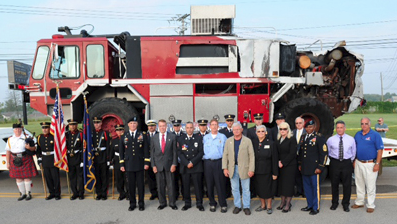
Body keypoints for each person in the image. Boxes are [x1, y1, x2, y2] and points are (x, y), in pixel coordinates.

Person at [352, 117, 384, 213]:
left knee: (370, 185)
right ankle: (359, 202)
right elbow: (354, 148)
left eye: (366, 123)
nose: (364, 125)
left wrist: (377, 163)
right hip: (358, 162)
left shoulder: (375, 135)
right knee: (359, 183)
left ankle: (370, 205)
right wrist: (354, 160)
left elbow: (380, 150)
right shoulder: (358, 134)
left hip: (370, 163)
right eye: (362, 123)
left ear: (369, 124)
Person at [222, 123, 255, 215]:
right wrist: (225, 168)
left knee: (246, 189)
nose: (236, 131)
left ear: (241, 130)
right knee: (235, 189)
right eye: (234, 129)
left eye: (238, 129)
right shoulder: (229, 141)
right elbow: (225, 155)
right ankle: (237, 206)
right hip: (232, 169)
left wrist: (251, 169)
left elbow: (251, 156)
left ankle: (246, 206)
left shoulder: (247, 141)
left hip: (245, 168)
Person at [120, 116, 150, 211]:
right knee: (131, 186)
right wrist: (121, 164)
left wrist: (146, 162)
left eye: (134, 123)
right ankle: (132, 203)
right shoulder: (124, 136)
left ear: (137, 125)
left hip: (140, 163)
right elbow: (121, 152)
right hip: (129, 164)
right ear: (128, 125)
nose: (133, 125)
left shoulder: (142, 135)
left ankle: (141, 203)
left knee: (140, 185)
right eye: (131, 123)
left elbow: (146, 150)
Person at [298, 120, 328, 215]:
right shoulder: (303, 137)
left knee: (315, 188)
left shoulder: (319, 137)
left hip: (315, 168)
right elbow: (301, 153)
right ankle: (309, 205)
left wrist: (320, 166)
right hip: (305, 168)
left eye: (310, 127)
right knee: (307, 188)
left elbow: (324, 153)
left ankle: (316, 207)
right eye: (307, 127)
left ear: (314, 127)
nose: (309, 129)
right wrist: (300, 164)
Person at [327, 120, 356, 212]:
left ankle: (346, 204)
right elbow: (327, 151)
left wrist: (349, 161)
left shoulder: (351, 139)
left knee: (347, 185)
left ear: (345, 128)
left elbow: (353, 152)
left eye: (341, 127)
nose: (339, 129)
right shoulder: (330, 140)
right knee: (334, 184)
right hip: (334, 163)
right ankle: (334, 203)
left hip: (346, 163)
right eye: (338, 127)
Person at [5, 123, 38, 201]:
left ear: (21, 130)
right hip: (14, 159)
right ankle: (22, 193)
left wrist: (29, 147)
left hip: (25, 158)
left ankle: (28, 193)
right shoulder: (10, 139)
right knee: (18, 178)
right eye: (16, 129)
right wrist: (8, 162)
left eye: (19, 129)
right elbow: (8, 151)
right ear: (13, 130)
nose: (17, 131)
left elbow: (34, 149)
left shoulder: (27, 138)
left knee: (27, 177)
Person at [151, 119, 178, 210]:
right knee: (160, 186)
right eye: (160, 126)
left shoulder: (172, 136)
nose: (162, 127)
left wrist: (174, 164)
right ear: (158, 127)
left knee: (171, 186)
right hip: (158, 166)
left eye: (164, 126)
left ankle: (172, 203)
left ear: (166, 127)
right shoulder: (154, 137)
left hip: (169, 165)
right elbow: (152, 153)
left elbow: (175, 152)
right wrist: (153, 165)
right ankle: (162, 203)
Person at [177, 121, 204, 211]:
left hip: (196, 166)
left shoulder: (198, 138)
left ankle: (199, 203)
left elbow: (201, 152)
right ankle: (187, 203)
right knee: (186, 186)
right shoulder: (181, 139)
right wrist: (186, 163)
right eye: (187, 128)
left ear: (194, 128)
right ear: (185, 129)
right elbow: (180, 152)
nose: (189, 129)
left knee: (198, 186)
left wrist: (192, 162)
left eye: (191, 128)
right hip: (185, 166)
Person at [203, 119, 228, 213]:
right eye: (212, 125)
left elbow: (226, 152)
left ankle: (223, 204)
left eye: (215, 125)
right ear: (210, 126)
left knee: (220, 184)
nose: (214, 126)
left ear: (218, 126)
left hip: (219, 162)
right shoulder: (205, 137)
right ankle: (212, 203)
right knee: (209, 185)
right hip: (208, 163)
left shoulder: (223, 137)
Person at [252, 125, 278, 214]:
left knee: (268, 189)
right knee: (259, 188)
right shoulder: (254, 143)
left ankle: (269, 206)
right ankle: (263, 205)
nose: (261, 133)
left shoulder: (271, 143)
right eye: (259, 131)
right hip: (257, 170)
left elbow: (274, 159)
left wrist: (275, 173)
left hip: (267, 170)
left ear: (266, 133)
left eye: (263, 131)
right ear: (256, 133)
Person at [275, 122, 297, 213]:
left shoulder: (292, 139)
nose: (282, 131)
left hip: (289, 166)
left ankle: (288, 204)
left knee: (288, 185)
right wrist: (278, 162)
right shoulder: (278, 139)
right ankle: (282, 202)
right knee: (282, 185)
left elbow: (292, 153)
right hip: (280, 165)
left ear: (288, 130)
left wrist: (283, 162)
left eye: (284, 129)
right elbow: (277, 152)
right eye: (281, 129)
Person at [36, 122, 61, 200]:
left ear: (49, 128)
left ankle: (57, 193)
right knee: (48, 178)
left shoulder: (53, 137)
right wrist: (39, 158)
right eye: (43, 128)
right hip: (45, 159)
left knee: (55, 177)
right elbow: (38, 149)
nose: (44, 130)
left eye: (46, 128)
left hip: (53, 158)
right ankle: (51, 193)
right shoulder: (39, 137)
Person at [92, 117, 111, 200]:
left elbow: (108, 146)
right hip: (95, 158)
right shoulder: (91, 133)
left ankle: (104, 193)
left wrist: (108, 159)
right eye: (95, 123)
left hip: (103, 157)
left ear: (101, 123)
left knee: (104, 176)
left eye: (98, 122)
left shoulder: (105, 133)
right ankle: (98, 193)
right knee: (97, 176)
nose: (96, 124)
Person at [66, 119, 84, 200]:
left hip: (78, 157)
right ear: (69, 126)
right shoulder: (66, 135)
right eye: (71, 125)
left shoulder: (80, 134)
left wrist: (82, 160)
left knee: (80, 176)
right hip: (70, 158)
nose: (72, 126)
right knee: (72, 177)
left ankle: (81, 193)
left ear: (77, 125)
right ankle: (74, 193)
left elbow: (84, 148)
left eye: (74, 125)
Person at [110, 124, 128, 201]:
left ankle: (128, 193)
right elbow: (111, 152)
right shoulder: (114, 141)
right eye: (117, 130)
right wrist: (110, 161)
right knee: (119, 178)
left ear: (123, 130)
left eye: (121, 130)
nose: (119, 132)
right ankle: (121, 193)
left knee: (127, 178)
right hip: (117, 161)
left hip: (126, 160)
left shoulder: (127, 139)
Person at [219, 114, 235, 198]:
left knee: (234, 175)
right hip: (225, 155)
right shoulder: (222, 132)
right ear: (226, 122)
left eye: (231, 121)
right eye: (228, 121)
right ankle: (227, 192)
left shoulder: (236, 130)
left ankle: (234, 192)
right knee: (225, 176)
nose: (230, 122)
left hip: (234, 156)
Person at [144, 120, 158, 200]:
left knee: (159, 178)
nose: (151, 127)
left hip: (157, 159)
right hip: (148, 159)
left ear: (155, 127)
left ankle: (160, 193)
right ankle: (153, 193)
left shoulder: (159, 135)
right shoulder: (144, 136)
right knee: (150, 178)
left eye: (152, 126)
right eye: (149, 126)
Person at [172, 119, 185, 201]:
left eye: (178, 126)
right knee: (174, 179)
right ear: (173, 127)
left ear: (180, 126)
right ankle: (176, 194)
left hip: (182, 161)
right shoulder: (170, 135)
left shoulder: (184, 135)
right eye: (175, 126)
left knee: (183, 179)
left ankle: (184, 194)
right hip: (174, 161)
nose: (176, 127)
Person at [293, 117, 306, 197]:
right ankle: (299, 190)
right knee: (297, 175)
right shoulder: (292, 132)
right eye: (297, 123)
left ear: (303, 123)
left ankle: (304, 191)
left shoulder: (306, 132)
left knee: (304, 175)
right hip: (295, 157)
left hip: (304, 157)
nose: (298, 124)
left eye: (300, 123)